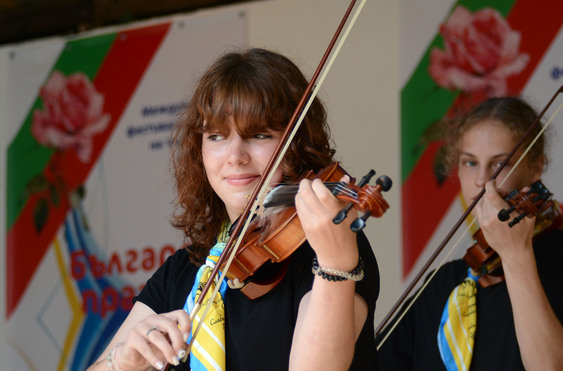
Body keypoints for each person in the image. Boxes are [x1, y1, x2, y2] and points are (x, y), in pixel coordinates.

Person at [88, 48, 380, 371]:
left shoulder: (328, 251)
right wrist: (122, 363)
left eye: (258, 134)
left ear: (296, 145)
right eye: (216, 136)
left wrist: (336, 266)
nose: (235, 156)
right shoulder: (184, 272)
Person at [377, 97, 563, 370]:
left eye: (499, 164)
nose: (481, 180)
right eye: (470, 163)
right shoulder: (445, 283)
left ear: (535, 168)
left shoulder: (560, 255)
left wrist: (516, 255)